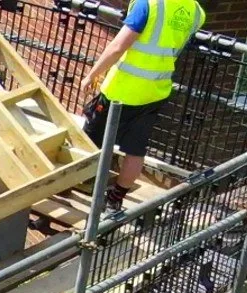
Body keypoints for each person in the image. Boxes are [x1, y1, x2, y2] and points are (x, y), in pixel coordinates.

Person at [79, 0, 205, 210]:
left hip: (122, 89)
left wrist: (92, 74)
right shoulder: (196, 12)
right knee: (135, 149)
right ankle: (115, 198)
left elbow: (118, 46)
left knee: (90, 140)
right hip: (155, 90)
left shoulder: (148, 4)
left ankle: (83, 184)